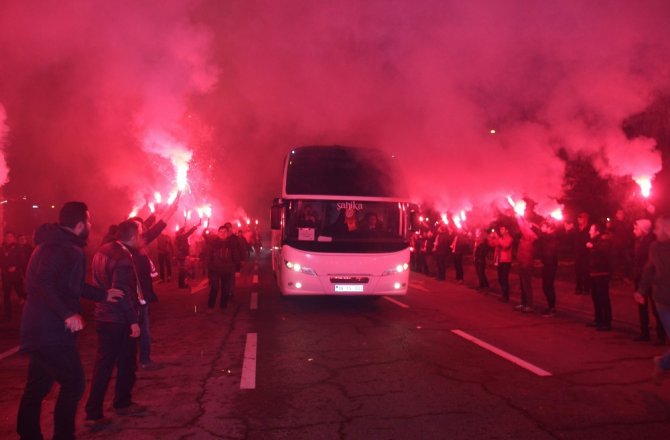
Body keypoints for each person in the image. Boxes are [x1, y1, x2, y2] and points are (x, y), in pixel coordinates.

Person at [17, 202, 123, 440]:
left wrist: (103, 295)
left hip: (39, 330)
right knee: (74, 382)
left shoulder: (56, 244)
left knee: (38, 386)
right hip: (50, 332)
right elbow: (43, 282)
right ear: (79, 225)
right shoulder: (60, 248)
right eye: (89, 220)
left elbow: (71, 286)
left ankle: (28, 434)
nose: (90, 225)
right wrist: (67, 313)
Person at [84, 220, 145, 426]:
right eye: (141, 234)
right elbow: (121, 293)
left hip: (103, 316)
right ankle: (121, 403)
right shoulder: (123, 258)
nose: (142, 237)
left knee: (103, 365)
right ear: (133, 236)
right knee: (126, 362)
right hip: (117, 319)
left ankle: (94, 410)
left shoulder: (103, 249)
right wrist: (133, 321)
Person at [635, 216, 670, 385]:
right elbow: (649, 270)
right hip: (664, 300)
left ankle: (662, 363)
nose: (655, 231)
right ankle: (663, 363)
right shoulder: (655, 247)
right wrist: (641, 290)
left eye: (657, 227)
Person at [632, 219, 665, 343]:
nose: (634, 231)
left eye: (636, 228)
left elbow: (650, 262)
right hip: (639, 277)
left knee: (655, 307)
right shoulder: (637, 241)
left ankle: (661, 334)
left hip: (649, 279)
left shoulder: (651, 243)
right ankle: (644, 332)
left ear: (643, 229)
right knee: (642, 306)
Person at [204, 223, 242, 310]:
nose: (222, 233)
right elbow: (208, 257)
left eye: (225, 232)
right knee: (214, 287)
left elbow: (236, 257)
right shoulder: (213, 243)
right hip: (215, 270)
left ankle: (223, 306)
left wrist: (237, 270)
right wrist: (209, 269)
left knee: (226, 289)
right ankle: (210, 306)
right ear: (218, 233)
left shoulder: (231, 244)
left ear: (227, 233)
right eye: (220, 232)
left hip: (227, 270)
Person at [586, 221, 613, 331]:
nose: (589, 232)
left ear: (597, 232)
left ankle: (607, 321)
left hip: (602, 273)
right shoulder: (595, 241)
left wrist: (593, 246)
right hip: (594, 273)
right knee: (596, 298)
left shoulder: (604, 241)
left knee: (603, 298)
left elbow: (604, 251)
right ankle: (598, 319)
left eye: (591, 230)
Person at [1, 231, 27, 321]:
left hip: (16, 276)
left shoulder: (18, 248)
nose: (8, 239)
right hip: (6, 276)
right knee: (6, 296)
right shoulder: (2, 248)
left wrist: (16, 267)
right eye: (7, 237)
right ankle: (7, 315)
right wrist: (4, 268)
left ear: (13, 238)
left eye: (10, 237)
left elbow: (22, 261)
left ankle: (28, 310)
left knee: (21, 293)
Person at [537, 221, 560, 317]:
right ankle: (550, 306)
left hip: (551, 265)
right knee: (545, 286)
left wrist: (537, 227)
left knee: (548, 286)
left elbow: (543, 236)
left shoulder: (552, 236)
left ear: (550, 228)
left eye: (544, 227)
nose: (542, 228)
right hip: (547, 264)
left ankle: (552, 308)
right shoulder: (547, 236)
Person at [515, 216, 537, 313]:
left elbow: (522, 226)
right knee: (522, 285)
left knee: (526, 285)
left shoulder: (530, 236)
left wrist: (519, 217)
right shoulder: (525, 236)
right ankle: (524, 303)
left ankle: (530, 305)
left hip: (526, 263)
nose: (527, 225)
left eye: (529, 225)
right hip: (522, 263)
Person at [491, 225, 513, 302]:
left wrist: (498, 238)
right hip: (499, 261)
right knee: (500, 279)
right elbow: (492, 244)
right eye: (500, 229)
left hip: (506, 261)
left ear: (507, 230)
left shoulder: (509, 238)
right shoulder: (500, 238)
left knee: (504, 279)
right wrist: (491, 237)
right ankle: (503, 294)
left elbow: (506, 245)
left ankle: (506, 296)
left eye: (502, 229)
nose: (501, 231)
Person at [175, 221, 201, 288]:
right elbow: (190, 232)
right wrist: (196, 226)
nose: (185, 232)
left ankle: (181, 284)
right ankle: (183, 284)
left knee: (181, 270)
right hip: (182, 255)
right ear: (182, 232)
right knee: (183, 270)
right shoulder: (182, 236)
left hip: (179, 255)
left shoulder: (177, 237)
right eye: (184, 231)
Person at [571, 212, 591, 295]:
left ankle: (586, 288)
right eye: (578, 218)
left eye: (581, 218)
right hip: (578, 254)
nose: (578, 219)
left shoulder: (589, 229)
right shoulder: (576, 229)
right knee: (578, 271)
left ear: (585, 219)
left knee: (586, 272)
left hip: (586, 254)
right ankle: (578, 287)